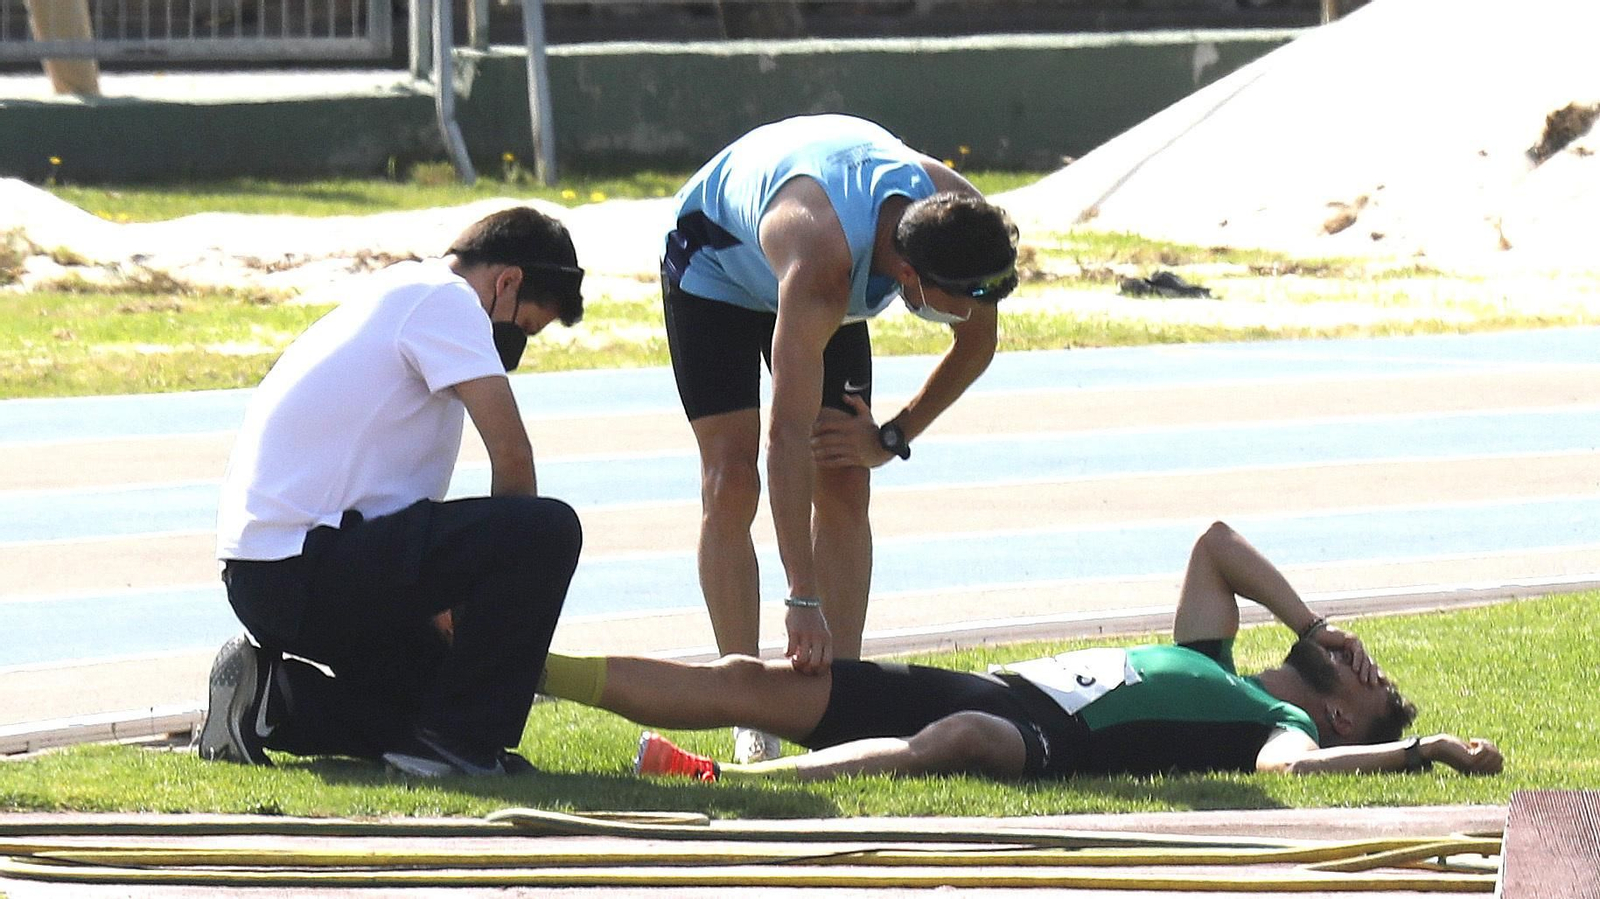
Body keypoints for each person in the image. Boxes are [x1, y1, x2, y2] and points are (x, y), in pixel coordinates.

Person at [538, 521, 1504, 782]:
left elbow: (1301, 775)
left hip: (1039, 742)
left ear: (1341, 720)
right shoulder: (1213, 655)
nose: (1374, 671)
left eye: (1376, 692)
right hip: (996, 684)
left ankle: (723, 785)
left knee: (956, 736)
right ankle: (534, 669)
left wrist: (1421, 749)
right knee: (758, 681)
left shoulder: (1282, 727)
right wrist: (1312, 616)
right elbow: (1215, 542)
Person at [661, 114, 1020, 763]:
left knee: (849, 478)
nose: (966, 310)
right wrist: (802, 597)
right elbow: (786, 435)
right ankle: (747, 702)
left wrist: (890, 436)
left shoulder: (959, 219)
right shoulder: (827, 264)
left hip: (816, 258)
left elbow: (979, 340)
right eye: (956, 298)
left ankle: (840, 700)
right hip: (714, 269)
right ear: (907, 275)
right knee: (733, 478)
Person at [198, 206, 587, 778]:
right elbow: (513, 456)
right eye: (526, 327)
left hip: (271, 575)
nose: (517, 345)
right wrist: (479, 600)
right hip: (305, 564)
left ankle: (273, 700)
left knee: (429, 703)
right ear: (507, 282)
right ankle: (464, 747)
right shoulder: (447, 300)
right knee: (546, 530)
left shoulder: (403, 291)